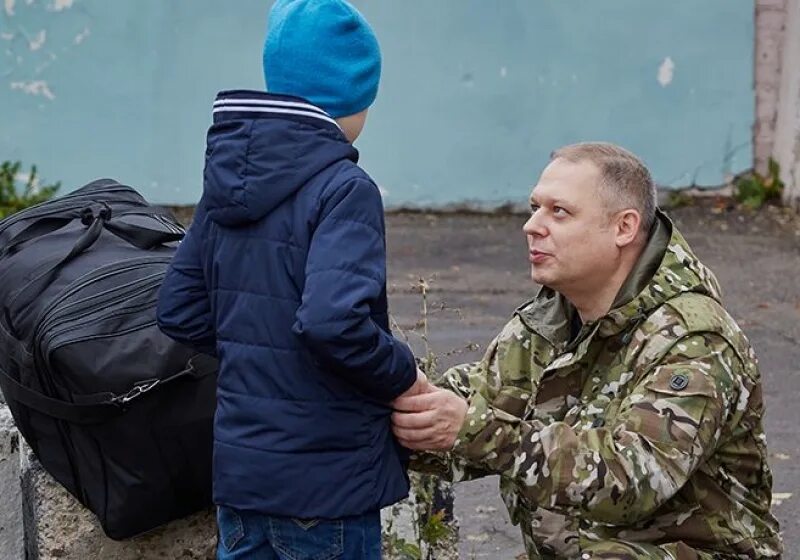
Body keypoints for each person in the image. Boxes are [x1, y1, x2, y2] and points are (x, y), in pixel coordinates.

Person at [391, 143, 783, 559]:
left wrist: (475, 430)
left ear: (624, 228)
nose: (532, 225)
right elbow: (482, 408)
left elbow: (633, 478)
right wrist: (400, 401)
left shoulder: (694, 340)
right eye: (534, 207)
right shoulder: (551, 319)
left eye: (559, 212)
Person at [157, 1, 427, 558]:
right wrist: (402, 372)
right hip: (327, 485)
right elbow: (333, 323)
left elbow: (178, 311)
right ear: (353, 91)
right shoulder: (344, 187)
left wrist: (262, 347)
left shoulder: (226, 182)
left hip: (241, 480)